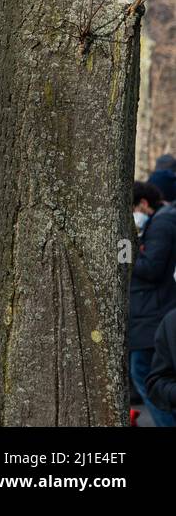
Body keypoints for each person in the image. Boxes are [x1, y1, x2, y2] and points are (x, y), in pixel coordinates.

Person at [129, 179, 176, 427]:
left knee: (144, 374)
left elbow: (151, 267)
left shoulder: (161, 224)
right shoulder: (162, 221)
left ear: (143, 204)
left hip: (152, 314)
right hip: (151, 312)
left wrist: (123, 248)